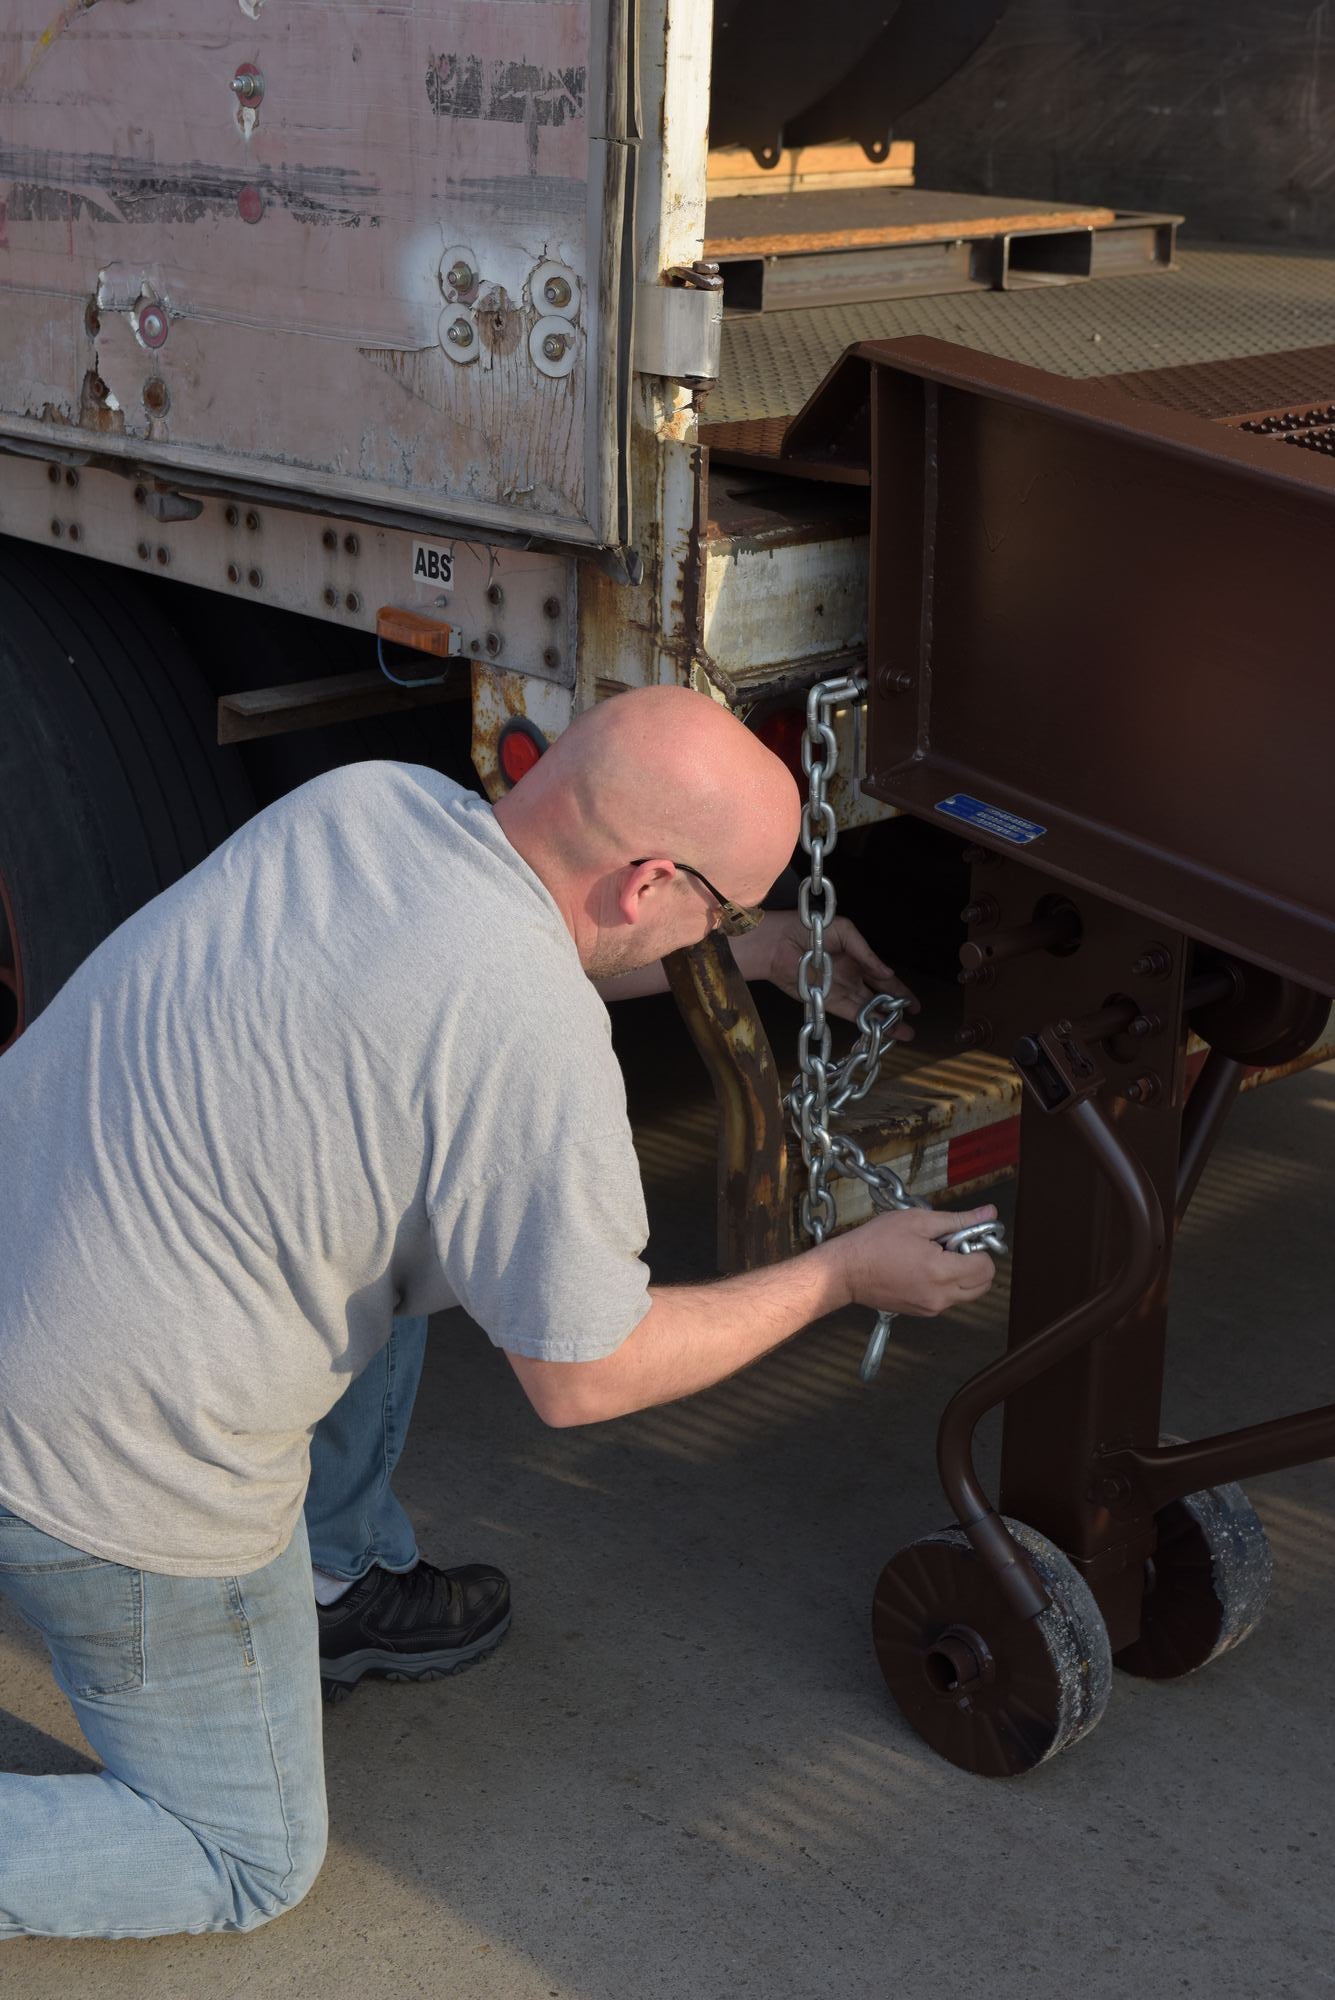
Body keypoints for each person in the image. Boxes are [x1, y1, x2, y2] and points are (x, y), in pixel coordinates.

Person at [0, 685, 996, 1940]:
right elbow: (583, 1372)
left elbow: (478, 977)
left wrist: (742, 955)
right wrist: (843, 1274)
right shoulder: (538, 1044)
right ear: (648, 881)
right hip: (94, 1474)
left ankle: (334, 1574)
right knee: (243, 1854)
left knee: (429, 1217)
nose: (725, 926)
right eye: (726, 906)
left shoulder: (372, 803)